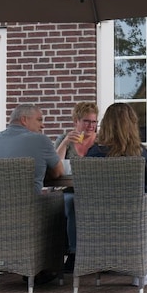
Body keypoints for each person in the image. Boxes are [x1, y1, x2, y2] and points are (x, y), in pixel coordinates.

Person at [85, 102, 147, 287]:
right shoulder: (138, 152)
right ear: (131, 124)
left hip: (98, 218)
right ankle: (142, 270)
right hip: (135, 218)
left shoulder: (93, 153)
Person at [53, 101, 100, 274]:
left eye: (94, 122)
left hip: (93, 191)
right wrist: (65, 143)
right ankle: (74, 254)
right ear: (76, 121)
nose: (91, 126)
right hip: (67, 190)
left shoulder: (101, 141)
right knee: (72, 202)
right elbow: (54, 167)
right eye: (86, 121)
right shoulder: (64, 140)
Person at [0, 103, 63, 192]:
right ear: (24, 120)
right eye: (39, 120)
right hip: (28, 200)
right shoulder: (40, 139)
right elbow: (58, 172)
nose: (42, 125)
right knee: (63, 196)